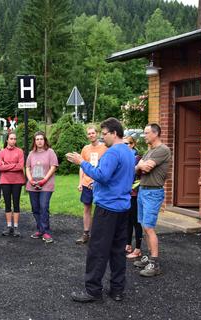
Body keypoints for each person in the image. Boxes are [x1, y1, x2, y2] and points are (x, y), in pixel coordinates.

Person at [66, 117, 135, 303]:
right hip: (123, 208)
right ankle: (117, 290)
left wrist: (82, 162)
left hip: (107, 208)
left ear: (114, 133)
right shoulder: (129, 152)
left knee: (97, 250)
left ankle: (93, 290)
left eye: (104, 134)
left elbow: (102, 175)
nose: (103, 138)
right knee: (118, 250)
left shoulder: (112, 153)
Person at [134, 123, 171, 277]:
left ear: (155, 134)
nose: (144, 135)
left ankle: (154, 264)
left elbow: (146, 168)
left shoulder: (163, 150)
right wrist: (140, 165)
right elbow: (137, 168)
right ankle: (149, 258)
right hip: (143, 190)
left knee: (149, 227)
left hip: (153, 193)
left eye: (147, 132)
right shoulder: (149, 151)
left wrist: (141, 166)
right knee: (144, 226)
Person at [76, 125, 107, 244]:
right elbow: (82, 166)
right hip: (86, 183)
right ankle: (86, 234)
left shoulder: (104, 148)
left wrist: (98, 181)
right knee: (87, 208)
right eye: (89, 134)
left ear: (97, 134)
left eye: (93, 133)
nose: (91, 135)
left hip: (99, 183)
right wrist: (80, 182)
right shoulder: (85, 149)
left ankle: (100, 235)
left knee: (101, 209)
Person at [25, 131, 58, 243]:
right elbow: (28, 168)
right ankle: (40, 229)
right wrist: (30, 180)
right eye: (37, 139)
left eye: (41, 139)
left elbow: (53, 167)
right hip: (33, 185)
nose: (39, 141)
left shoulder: (50, 152)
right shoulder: (31, 154)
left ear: (45, 140)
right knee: (35, 208)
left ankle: (46, 232)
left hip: (46, 185)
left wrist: (44, 180)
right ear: (34, 141)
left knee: (43, 206)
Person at [0, 132, 25, 237]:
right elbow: (0, 167)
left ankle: (16, 227)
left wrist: (8, 165)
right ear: (7, 140)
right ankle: (9, 226)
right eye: (11, 138)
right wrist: (14, 165)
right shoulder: (2, 152)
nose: (13, 140)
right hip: (5, 181)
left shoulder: (19, 151)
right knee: (7, 204)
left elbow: (20, 166)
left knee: (16, 203)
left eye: (15, 139)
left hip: (17, 181)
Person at [124, 136, 143, 259]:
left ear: (133, 144)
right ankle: (128, 245)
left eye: (128, 143)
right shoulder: (125, 158)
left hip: (135, 195)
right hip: (126, 195)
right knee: (128, 222)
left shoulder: (138, 158)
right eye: (124, 143)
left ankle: (138, 249)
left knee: (136, 222)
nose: (126, 146)